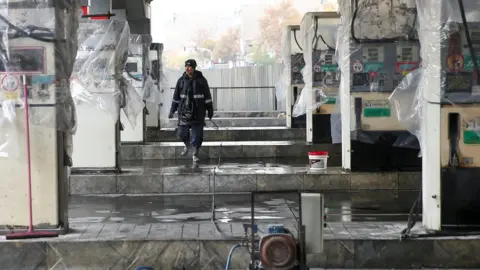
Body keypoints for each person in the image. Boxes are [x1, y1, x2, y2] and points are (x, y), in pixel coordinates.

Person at [168, 59, 214, 162]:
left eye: (190, 66)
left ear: (194, 67)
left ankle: (195, 153)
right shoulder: (181, 81)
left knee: (197, 135)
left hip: (198, 112)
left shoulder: (202, 80)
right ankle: (188, 145)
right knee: (182, 133)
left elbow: (207, 96)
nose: (187, 68)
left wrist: (210, 109)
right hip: (184, 112)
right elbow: (176, 97)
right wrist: (172, 110)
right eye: (186, 66)